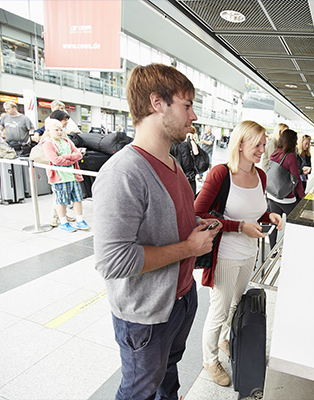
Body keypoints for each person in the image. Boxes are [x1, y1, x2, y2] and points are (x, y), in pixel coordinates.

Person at [93, 63, 220, 400]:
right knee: (138, 391)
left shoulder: (174, 165)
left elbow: (171, 226)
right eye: (187, 104)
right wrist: (188, 248)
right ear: (157, 103)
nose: (193, 116)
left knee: (167, 381)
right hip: (145, 316)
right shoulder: (123, 173)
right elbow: (113, 261)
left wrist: (196, 228)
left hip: (177, 301)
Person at [195, 120, 283, 386]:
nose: (262, 149)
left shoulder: (261, 175)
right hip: (225, 253)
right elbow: (199, 212)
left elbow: (255, 211)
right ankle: (209, 360)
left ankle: (224, 339)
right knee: (219, 310)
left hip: (248, 253)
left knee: (235, 303)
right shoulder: (221, 174)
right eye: (257, 144)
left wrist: (270, 215)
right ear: (241, 144)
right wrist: (239, 227)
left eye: (264, 144)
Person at [41, 119, 90, 232]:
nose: (59, 132)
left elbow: (78, 154)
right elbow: (55, 160)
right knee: (61, 201)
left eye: (61, 129)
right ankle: (63, 222)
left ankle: (80, 220)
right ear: (48, 130)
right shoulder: (48, 143)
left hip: (72, 176)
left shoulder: (66, 141)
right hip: (59, 178)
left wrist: (66, 156)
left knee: (77, 199)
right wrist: (70, 159)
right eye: (56, 130)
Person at [266, 128, 305, 246]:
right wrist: (303, 197)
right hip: (286, 198)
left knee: (273, 224)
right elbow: (296, 179)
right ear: (292, 141)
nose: (297, 143)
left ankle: (272, 251)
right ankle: (292, 247)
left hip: (272, 194)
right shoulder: (290, 156)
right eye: (296, 140)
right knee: (296, 223)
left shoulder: (275, 153)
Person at [170, 125, 199, 194]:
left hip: (189, 176)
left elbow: (196, 152)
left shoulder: (189, 143)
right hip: (182, 176)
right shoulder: (175, 144)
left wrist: (191, 140)